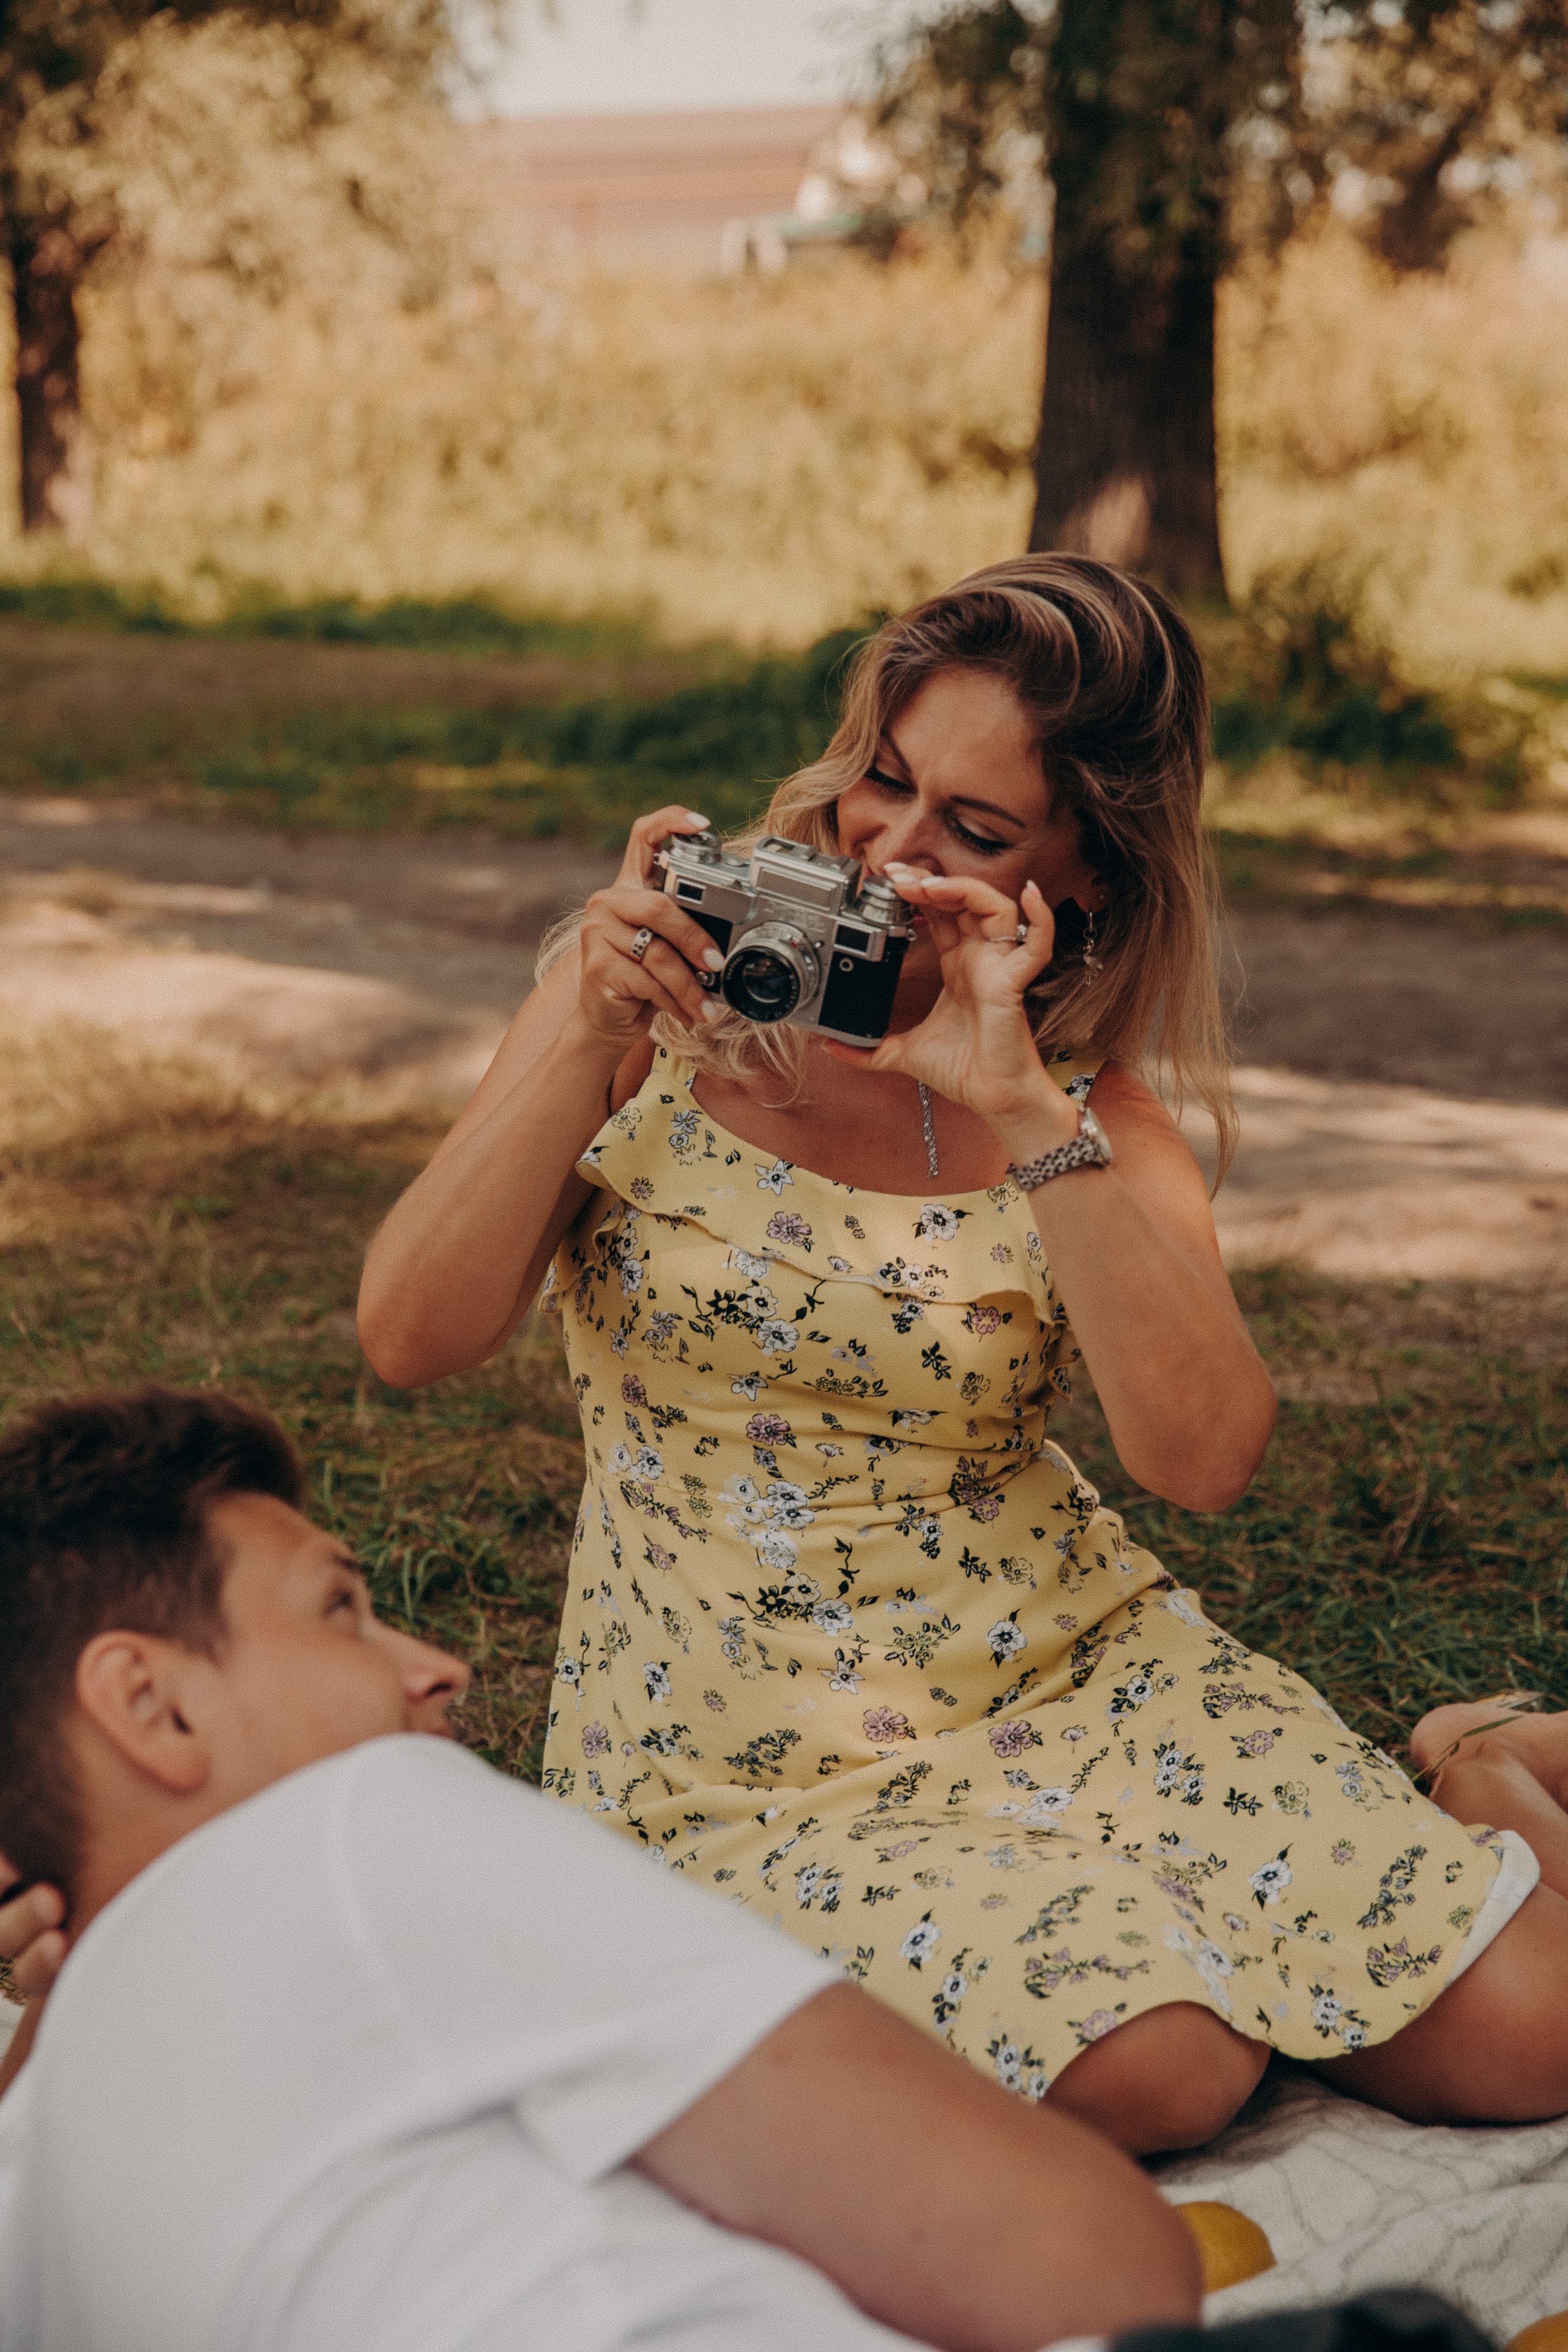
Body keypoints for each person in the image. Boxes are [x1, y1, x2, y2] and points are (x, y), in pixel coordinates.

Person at [358, 554, 1568, 2157]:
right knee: (1163, 2067)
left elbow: (1201, 1462)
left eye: (976, 831)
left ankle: (1466, 1765)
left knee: (1539, 2031)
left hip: (1071, 1673)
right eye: (887, 782)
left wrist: (1014, 1103)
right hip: (744, 1743)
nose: (895, 851)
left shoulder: (1087, 1110)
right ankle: (1204, 1919)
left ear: (1087, 883)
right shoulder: (660, 998)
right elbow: (408, 1334)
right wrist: (582, 1033)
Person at [0, 1382, 1202, 2351]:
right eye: (342, 1611)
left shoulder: (35, 2167)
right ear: (149, 1703)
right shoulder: (361, 1828)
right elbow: (1091, 2268)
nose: (437, 1667)